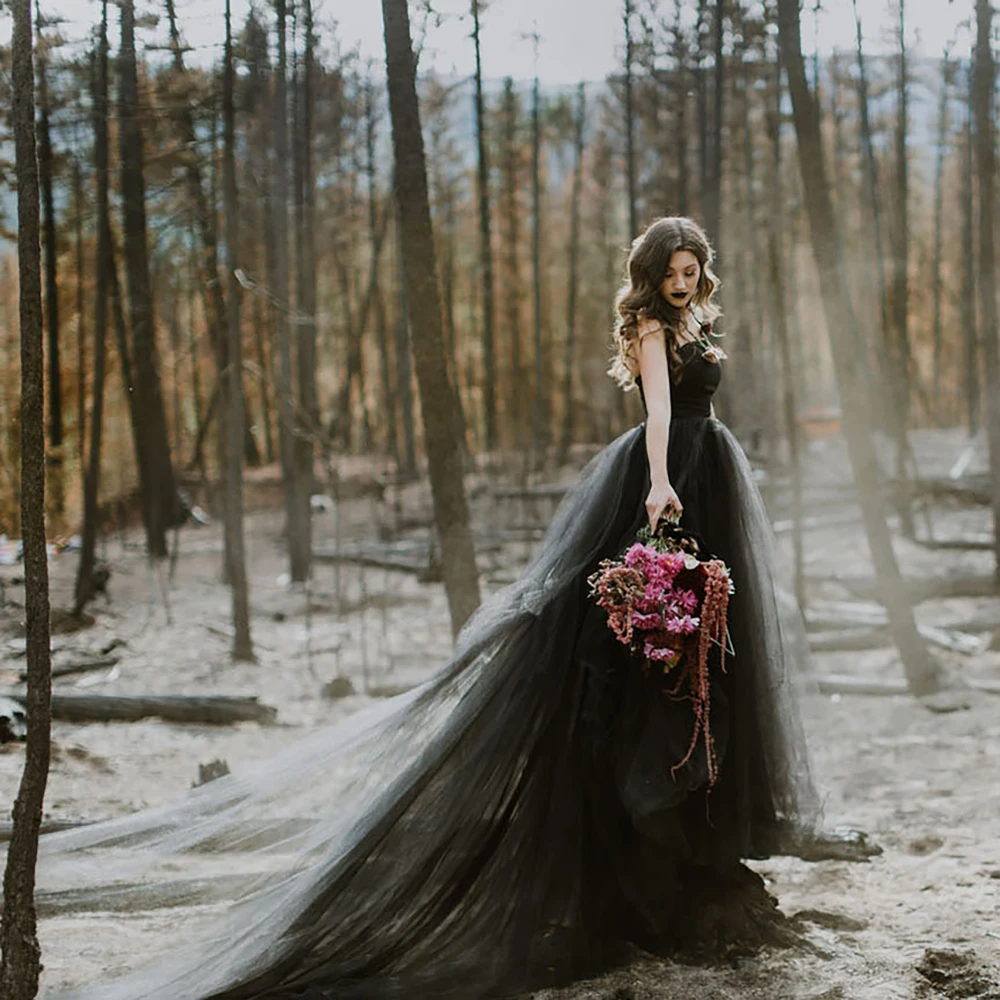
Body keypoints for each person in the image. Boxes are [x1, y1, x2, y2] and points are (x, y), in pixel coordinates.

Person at [20, 217, 821, 1000]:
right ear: (651, 275)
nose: (682, 284)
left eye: (692, 272)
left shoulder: (693, 321)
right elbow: (654, 414)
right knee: (632, 638)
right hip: (669, 471)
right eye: (672, 272)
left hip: (710, 469)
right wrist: (657, 484)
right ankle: (639, 829)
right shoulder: (651, 327)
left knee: (704, 637)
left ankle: (698, 830)